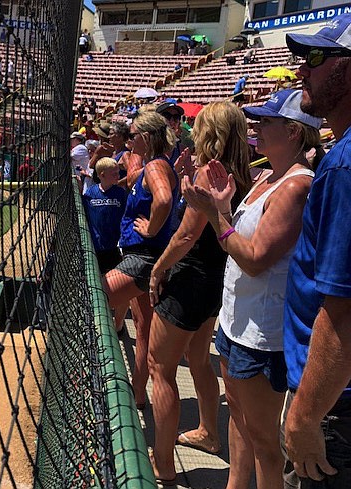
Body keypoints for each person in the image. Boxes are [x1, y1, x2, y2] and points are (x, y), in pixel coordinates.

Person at [182, 90, 323, 489]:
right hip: (235, 321)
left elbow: (256, 258)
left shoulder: (296, 186)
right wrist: (223, 207)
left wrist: (215, 215)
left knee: (264, 442)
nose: (255, 127)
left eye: (266, 121)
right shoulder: (266, 176)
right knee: (241, 425)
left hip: (261, 333)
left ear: (294, 132)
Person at [148, 102, 252, 485]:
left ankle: (163, 462)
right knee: (198, 359)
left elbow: (186, 235)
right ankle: (209, 432)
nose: (192, 131)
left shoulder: (211, 173)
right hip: (215, 284)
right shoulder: (244, 170)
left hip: (189, 281)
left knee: (162, 369)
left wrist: (158, 270)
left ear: (213, 133)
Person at [281, 14, 351, 489]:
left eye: (316, 57)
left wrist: (305, 417)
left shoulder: (344, 164)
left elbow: (345, 310)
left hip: (333, 405)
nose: (300, 67)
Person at [102, 111, 179, 410]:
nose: (129, 139)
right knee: (142, 327)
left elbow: (163, 200)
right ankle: (137, 394)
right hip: (147, 259)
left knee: (92, 298)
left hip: (143, 259)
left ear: (146, 138)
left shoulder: (156, 166)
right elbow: (139, 181)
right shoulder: (153, 164)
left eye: (133, 135)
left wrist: (151, 228)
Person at [82, 158, 128, 274]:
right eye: (114, 174)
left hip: (114, 247)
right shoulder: (90, 193)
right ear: (102, 175)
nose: (118, 176)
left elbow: (126, 216)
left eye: (118, 173)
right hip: (95, 246)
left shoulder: (120, 193)